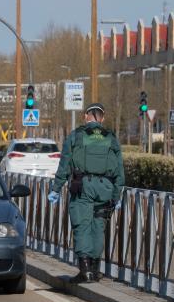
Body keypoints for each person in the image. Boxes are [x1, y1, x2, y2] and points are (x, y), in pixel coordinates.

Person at [48, 102, 124, 283]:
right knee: (99, 227)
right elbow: (120, 171)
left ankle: (85, 271)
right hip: (105, 188)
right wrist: (116, 196)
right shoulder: (111, 138)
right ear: (102, 118)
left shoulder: (76, 136)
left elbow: (64, 165)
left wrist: (56, 189)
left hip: (83, 187)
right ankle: (96, 270)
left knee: (82, 226)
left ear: (85, 116)